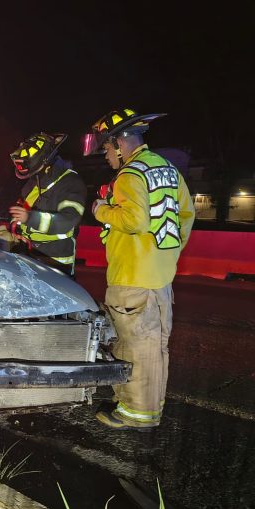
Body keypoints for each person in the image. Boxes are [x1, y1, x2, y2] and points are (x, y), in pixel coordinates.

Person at [84, 108, 195, 430]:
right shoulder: (168, 170)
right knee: (155, 347)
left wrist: (101, 209)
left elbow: (134, 221)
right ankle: (149, 408)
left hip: (132, 275)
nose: (106, 155)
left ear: (120, 143)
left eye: (106, 148)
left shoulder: (131, 175)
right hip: (160, 276)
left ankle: (134, 413)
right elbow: (185, 217)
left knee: (134, 346)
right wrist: (166, 255)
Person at [4, 132, 86, 276]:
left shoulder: (71, 182)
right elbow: (19, 210)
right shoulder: (34, 182)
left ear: (44, 162)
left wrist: (30, 218)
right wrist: (13, 230)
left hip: (56, 265)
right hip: (29, 258)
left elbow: (68, 221)